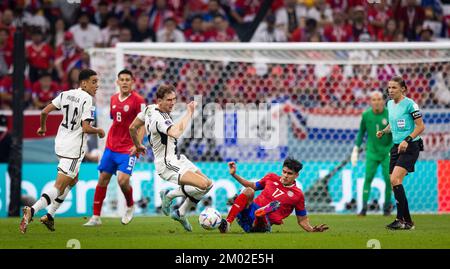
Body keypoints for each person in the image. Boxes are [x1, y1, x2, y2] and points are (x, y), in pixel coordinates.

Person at [19, 69, 105, 233]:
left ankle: (50, 216)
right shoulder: (87, 100)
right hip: (73, 149)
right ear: (83, 83)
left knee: (72, 180)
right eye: (94, 82)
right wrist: (99, 130)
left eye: (97, 82)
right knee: (59, 186)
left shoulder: (66, 94)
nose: (97, 86)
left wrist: (42, 128)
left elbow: (44, 111)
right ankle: (33, 210)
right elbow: (86, 128)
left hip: (60, 143)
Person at [129, 84, 214, 232]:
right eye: (169, 100)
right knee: (202, 185)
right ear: (159, 100)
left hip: (177, 158)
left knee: (209, 184)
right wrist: (189, 112)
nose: (172, 103)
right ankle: (170, 195)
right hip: (167, 163)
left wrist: (137, 145)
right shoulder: (159, 118)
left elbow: (133, 127)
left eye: (174, 99)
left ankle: (180, 213)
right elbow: (175, 133)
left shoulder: (149, 109)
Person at [84, 70, 146, 227]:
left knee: (123, 181)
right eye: (122, 80)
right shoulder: (113, 99)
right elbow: (116, 122)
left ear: (132, 82)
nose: (124, 82)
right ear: (117, 82)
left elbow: (143, 125)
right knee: (103, 179)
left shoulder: (139, 101)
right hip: (111, 147)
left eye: (127, 80)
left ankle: (130, 206)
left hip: (128, 149)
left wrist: (137, 145)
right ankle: (96, 217)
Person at [218, 158, 329, 233]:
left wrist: (312, 229)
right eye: (284, 172)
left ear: (296, 175)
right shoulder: (271, 177)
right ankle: (227, 223)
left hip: (261, 224)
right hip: (248, 213)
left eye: (289, 174)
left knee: (261, 217)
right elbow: (252, 185)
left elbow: (302, 220)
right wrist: (234, 175)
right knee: (248, 191)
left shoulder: (298, 195)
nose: (285, 176)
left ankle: (260, 214)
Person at [377, 76, 425, 230]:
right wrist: (384, 131)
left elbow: (420, 126)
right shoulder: (390, 104)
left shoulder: (411, 105)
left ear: (403, 89)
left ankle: (400, 219)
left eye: (394, 88)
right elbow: (394, 124)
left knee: (396, 180)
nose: (390, 91)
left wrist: (407, 139)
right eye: (389, 88)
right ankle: (408, 221)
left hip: (410, 146)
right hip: (396, 146)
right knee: (394, 182)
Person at [351, 91, 393, 216]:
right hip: (372, 152)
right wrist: (356, 149)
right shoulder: (366, 115)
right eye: (373, 100)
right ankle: (363, 208)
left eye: (379, 99)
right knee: (368, 178)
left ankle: (387, 208)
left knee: (389, 179)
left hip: (387, 152)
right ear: (370, 102)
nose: (376, 102)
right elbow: (361, 133)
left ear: (382, 101)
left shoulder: (389, 113)